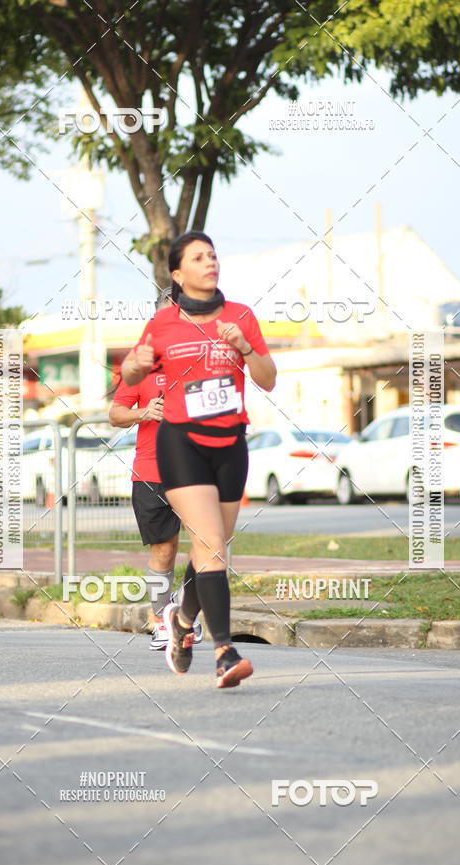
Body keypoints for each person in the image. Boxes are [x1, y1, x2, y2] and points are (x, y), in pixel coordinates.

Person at [121, 231, 276, 688]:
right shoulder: (163, 322)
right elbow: (131, 372)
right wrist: (137, 362)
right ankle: (225, 652)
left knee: (215, 548)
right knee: (209, 545)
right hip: (180, 442)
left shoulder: (241, 316)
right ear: (177, 273)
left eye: (213, 254)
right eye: (198, 257)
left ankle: (183, 622)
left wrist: (245, 348)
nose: (210, 262)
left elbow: (267, 379)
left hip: (230, 443)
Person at [109, 288, 202, 650]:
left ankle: (185, 612)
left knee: (209, 545)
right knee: (164, 550)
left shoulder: (201, 360)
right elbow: (115, 414)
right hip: (150, 471)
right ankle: (162, 620)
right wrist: (142, 412)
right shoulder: (138, 365)